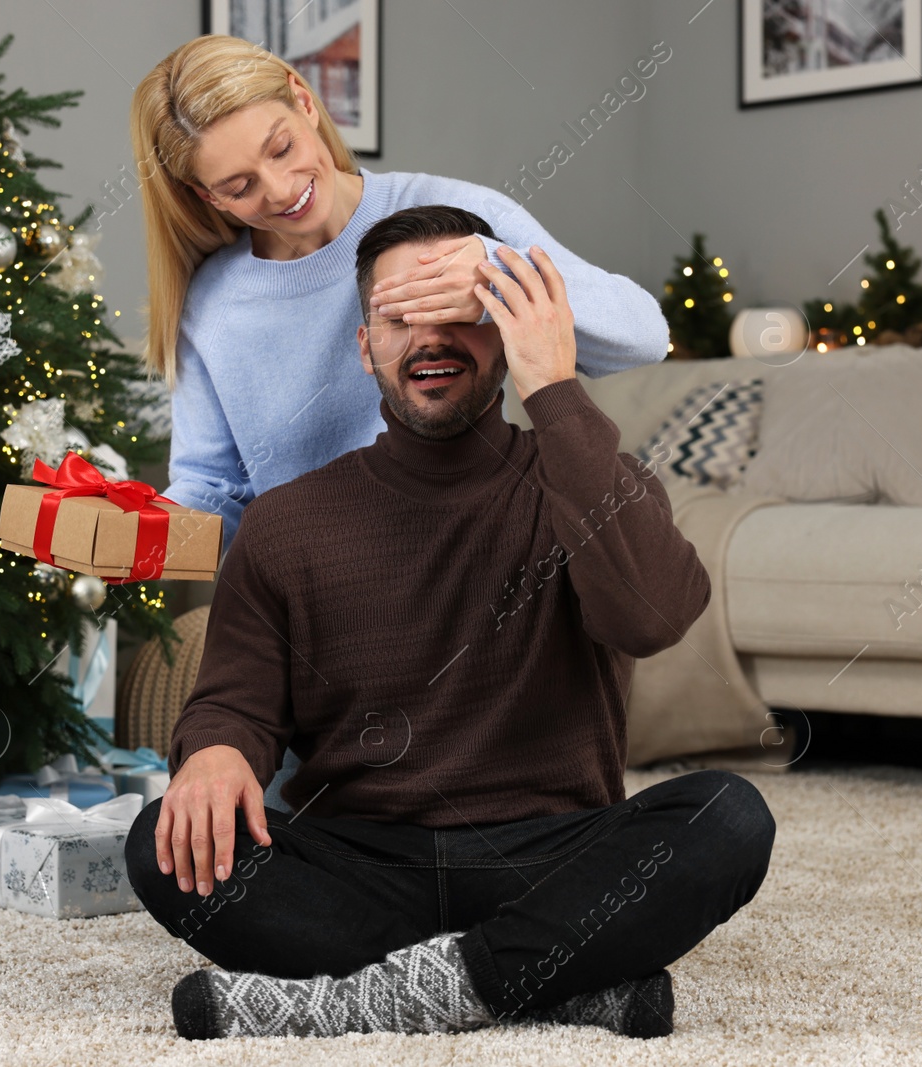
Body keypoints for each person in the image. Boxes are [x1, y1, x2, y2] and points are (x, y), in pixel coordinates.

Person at [122, 204, 777, 1041]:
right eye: (398, 318)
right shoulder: (287, 521)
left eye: (459, 313)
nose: (429, 339)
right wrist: (212, 753)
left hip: (548, 858)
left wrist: (557, 390)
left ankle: (359, 1000)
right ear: (366, 348)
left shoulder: (586, 477)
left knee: (726, 817)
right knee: (160, 841)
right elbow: (236, 704)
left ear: (507, 332)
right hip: (361, 860)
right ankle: (548, 983)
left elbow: (654, 614)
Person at [131, 35, 672, 553]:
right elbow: (212, 490)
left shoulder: (453, 217)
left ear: (303, 99)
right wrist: (127, 540)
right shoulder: (212, 303)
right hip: (310, 596)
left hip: (462, 571)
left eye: (281, 148)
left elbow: (643, 336)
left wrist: (497, 281)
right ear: (207, 196)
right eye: (239, 187)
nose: (281, 189)